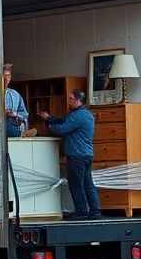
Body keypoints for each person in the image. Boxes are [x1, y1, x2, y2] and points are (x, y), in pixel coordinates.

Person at [39, 89, 101, 220]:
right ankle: (95, 211)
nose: (69, 101)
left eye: (71, 98)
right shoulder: (86, 114)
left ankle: (82, 212)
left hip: (76, 155)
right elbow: (63, 120)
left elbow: (62, 128)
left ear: (78, 100)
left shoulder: (77, 116)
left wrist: (49, 125)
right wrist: (50, 118)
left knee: (76, 184)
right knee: (88, 183)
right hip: (86, 154)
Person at [3, 63, 29, 137]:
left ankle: (21, 133)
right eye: (3, 76)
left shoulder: (15, 94)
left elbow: (24, 115)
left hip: (13, 131)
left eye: (8, 76)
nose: (6, 79)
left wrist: (15, 114)